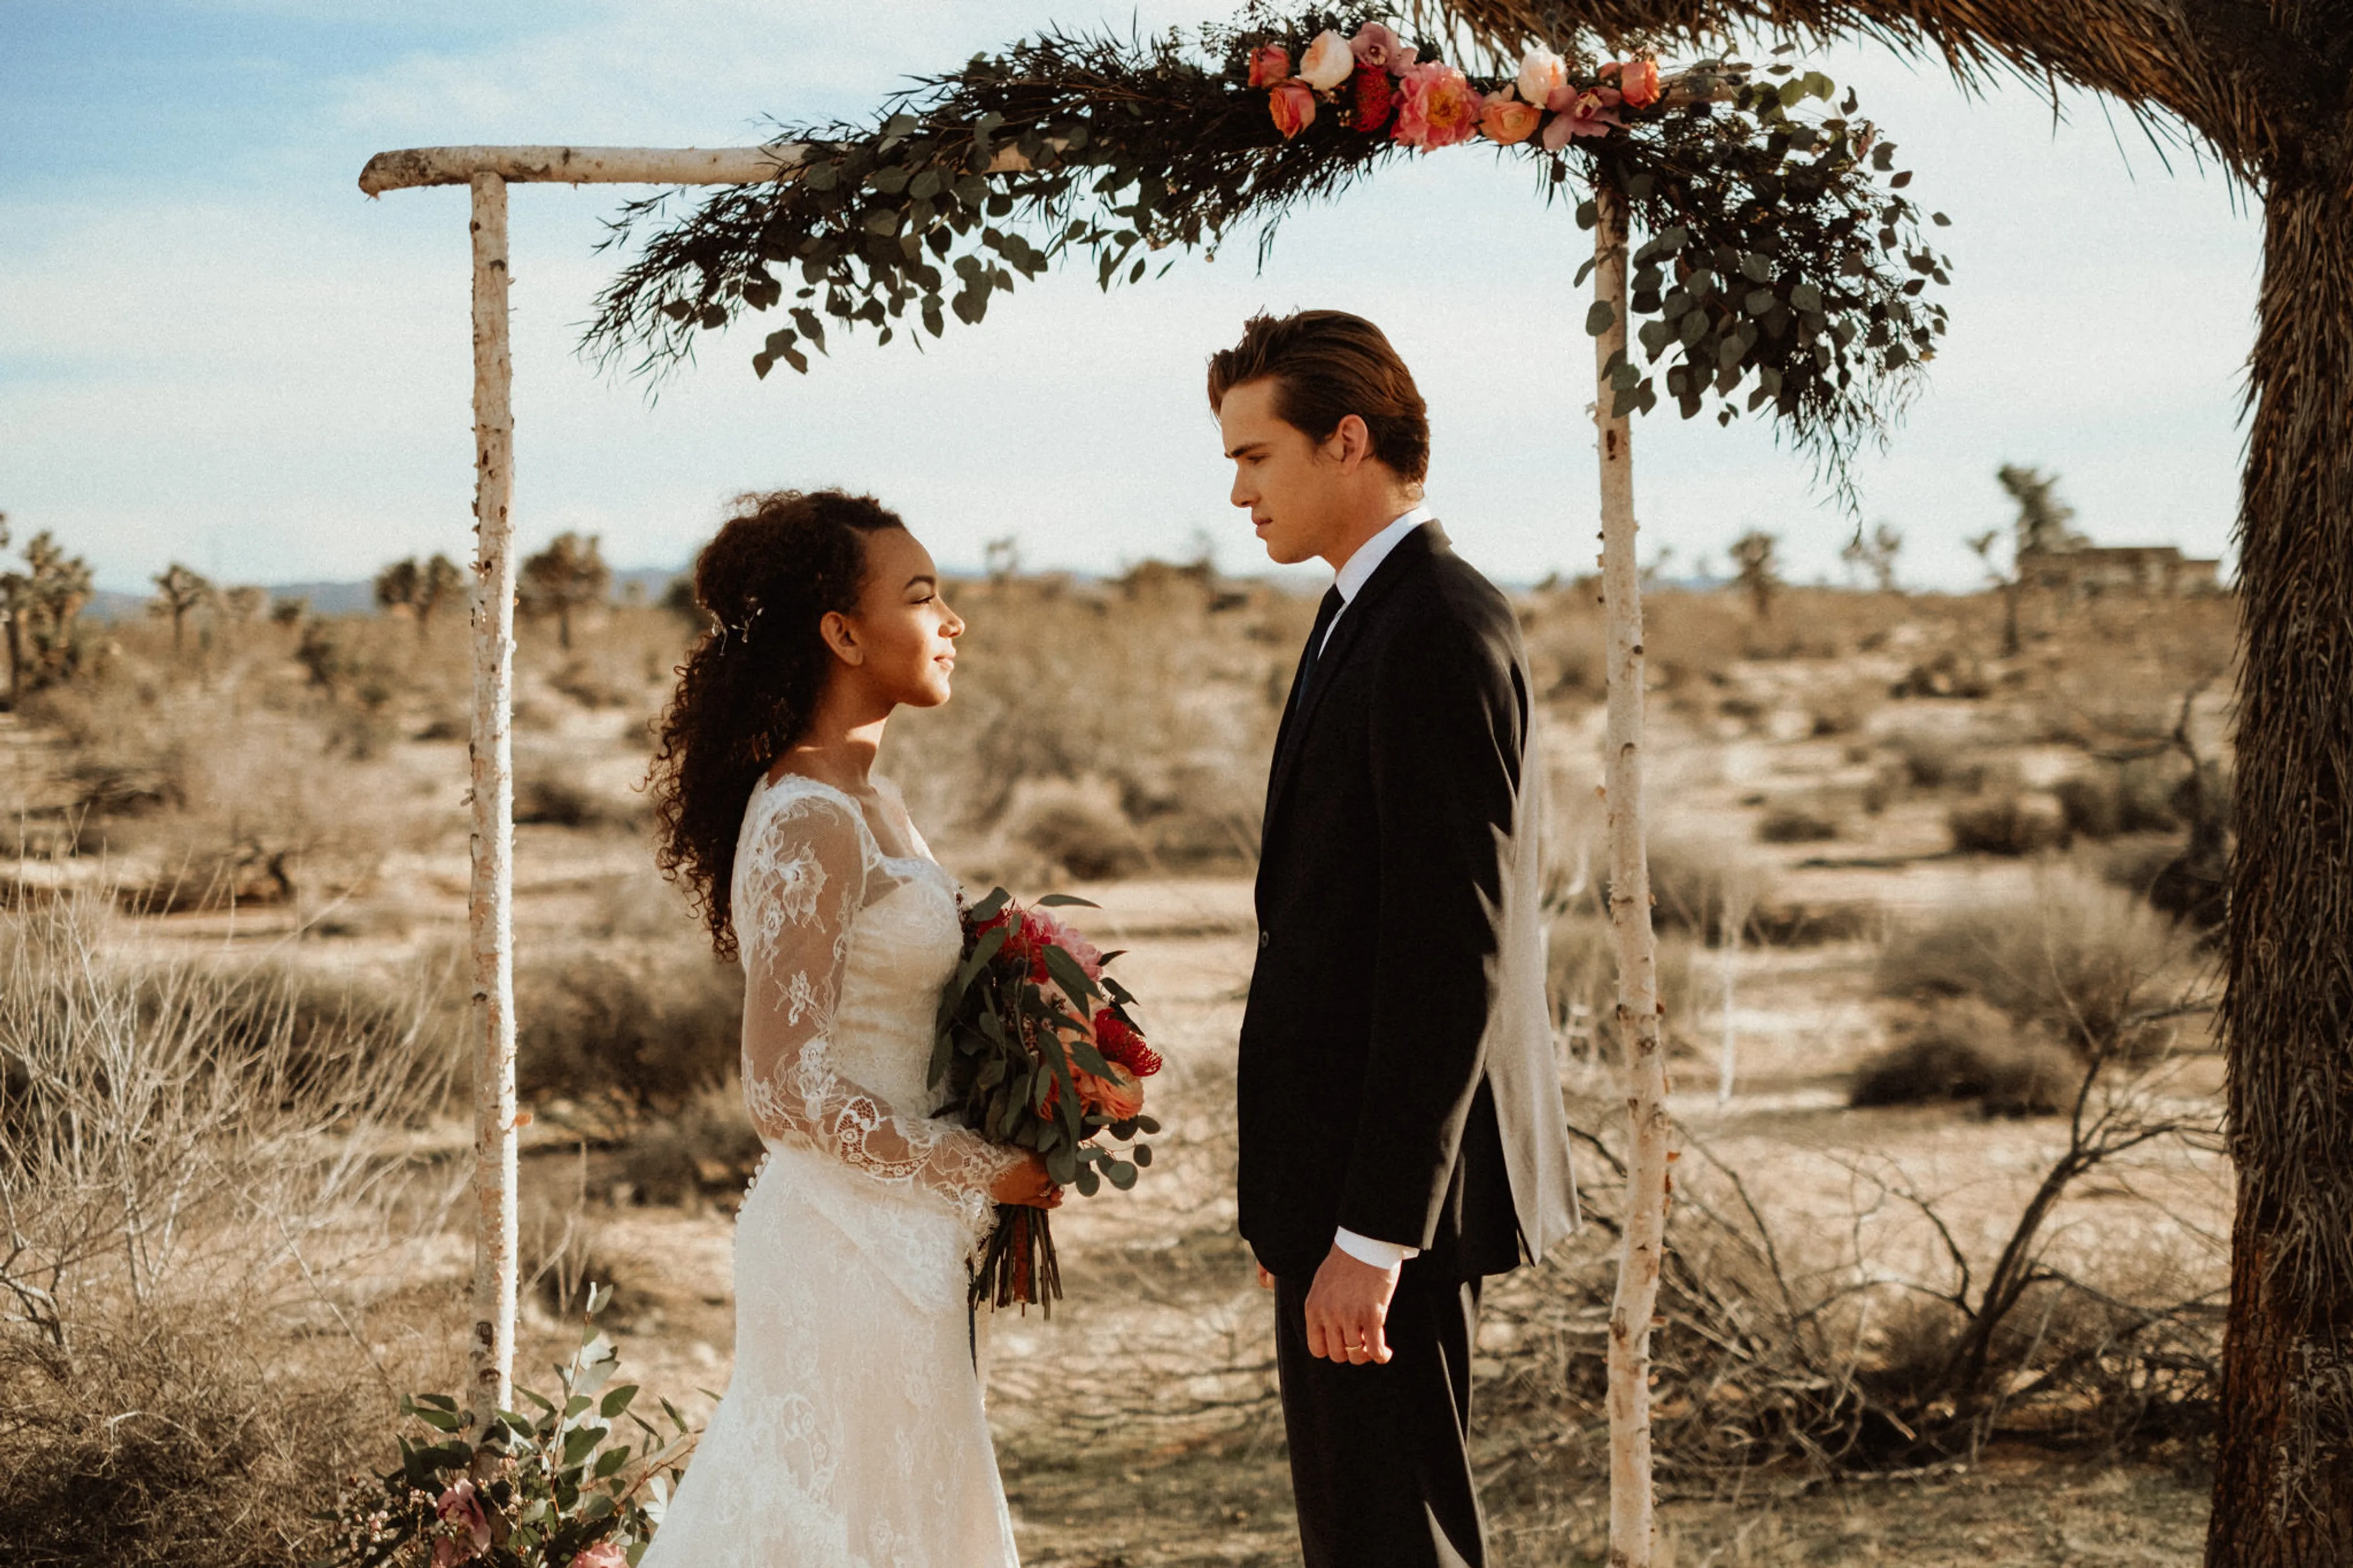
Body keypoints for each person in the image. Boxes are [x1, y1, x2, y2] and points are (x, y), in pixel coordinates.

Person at [1211, 311, 1580, 1568]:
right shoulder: (1357, 611)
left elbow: (1450, 951)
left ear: (1348, 440)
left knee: (1393, 1539)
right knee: (1365, 1533)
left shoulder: (1434, 624)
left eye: (1257, 455)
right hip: (1344, 1178)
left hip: (1394, 1194)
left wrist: (1371, 1235)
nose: (1238, 488)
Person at [638, 488, 1056, 1568]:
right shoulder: (811, 815)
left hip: (906, 1233)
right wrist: (980, 1167)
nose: (952, 620)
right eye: (921, 596)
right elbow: (783, 1087)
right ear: (841, 632)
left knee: (903, 1521)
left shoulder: (875, 800)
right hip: (842, 1238)